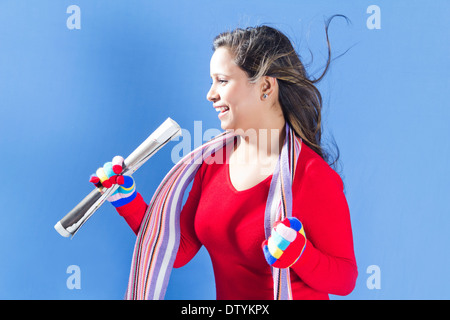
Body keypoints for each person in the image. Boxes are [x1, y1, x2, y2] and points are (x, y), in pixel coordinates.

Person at [91, 22, 358, 300]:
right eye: (211, 81)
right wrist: (127, 200)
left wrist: (300, 254)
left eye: (222, 80)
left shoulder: (311, 174)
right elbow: (178, 249)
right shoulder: (212, 162)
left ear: (265, 86)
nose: (210, 94)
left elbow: (345, 279)